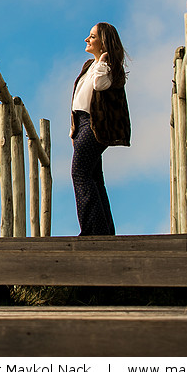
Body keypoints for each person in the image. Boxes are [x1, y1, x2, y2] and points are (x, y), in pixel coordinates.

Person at [69, 23, 131, 236]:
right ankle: (104, 231)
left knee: (79, 173)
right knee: (94, 177)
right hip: (82, 124)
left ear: (104, 42)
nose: (87, 39)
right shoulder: (89, 65)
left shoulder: (109, 67)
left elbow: (100, 86)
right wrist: (74, 127)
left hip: (95, 125)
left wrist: (103, 63)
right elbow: (79, 97)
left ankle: (92, 231)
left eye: (92, 36)